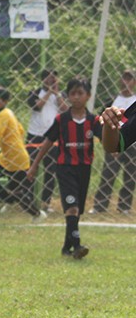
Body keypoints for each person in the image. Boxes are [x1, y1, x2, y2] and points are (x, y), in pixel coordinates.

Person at [30, 78, 101, 259]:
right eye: (72, 93)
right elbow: (47, 143)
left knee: (76, 211)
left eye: (80, 93)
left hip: (84, 169)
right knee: (72, 207)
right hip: (65, 169)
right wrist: (35, 165)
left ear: (88, 96)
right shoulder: (61, 120)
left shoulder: (93, 121)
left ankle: (66, 248)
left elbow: (107, 139)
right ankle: (77, 246)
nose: (76, 97)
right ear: (68, 96)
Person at [0, 85, 46, 221]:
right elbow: (20, 130)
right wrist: (14, 142)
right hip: (6, 156)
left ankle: (37, 214)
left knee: (18, 193)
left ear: (4, 101)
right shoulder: (8, 112)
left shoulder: (4, 114)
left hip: (16, 158)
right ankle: (8, 199)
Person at [92, 69, 136, 215]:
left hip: (133, 147)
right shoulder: (111, 101)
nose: (126, 82)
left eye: (129, 79)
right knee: (108, 174)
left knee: (130, 176)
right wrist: (105, 138)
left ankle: (124, 207)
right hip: (115, 140)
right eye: (124, 78)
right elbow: (100, 122)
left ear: (134, 82)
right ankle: (100, 205)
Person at [26, 69, 68, 210]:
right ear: (43, 79)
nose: (52, 81)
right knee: (31, 167)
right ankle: (29, 199)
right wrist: (49, 92)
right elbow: (37, 107)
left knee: (51, 170)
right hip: (35, 135)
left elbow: (65, 110)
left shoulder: (61, 94)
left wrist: (56, 94)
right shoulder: (35, 92)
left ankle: (46, 202)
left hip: (53, 137)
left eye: (54, 78)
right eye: (49, 78)